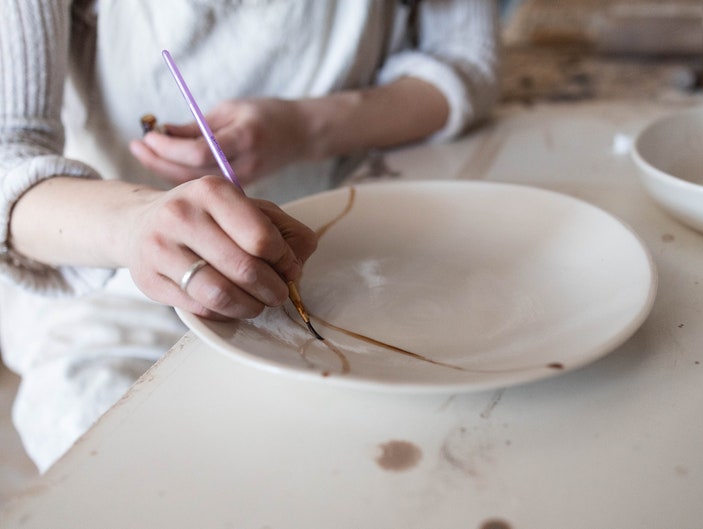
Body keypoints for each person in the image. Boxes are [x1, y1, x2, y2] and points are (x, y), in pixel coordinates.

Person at [0, 0, 501, 472]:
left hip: (355, 238)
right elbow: (9, 155)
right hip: (113, 287)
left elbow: (465, 64)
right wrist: (137, 223)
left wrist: (305, 127)